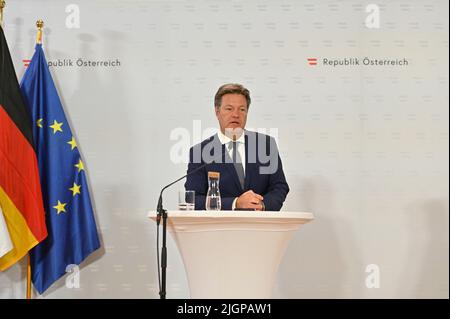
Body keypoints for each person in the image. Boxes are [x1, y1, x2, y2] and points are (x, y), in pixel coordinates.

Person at [184, 83, 289, 211]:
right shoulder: (199, 152)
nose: (236, 114)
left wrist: (262, 205)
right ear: (217, 112)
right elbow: (193, 199)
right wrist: (235, 203)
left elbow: (279, 187)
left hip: (260, 225)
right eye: (229, 109)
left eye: (242, 109)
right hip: (219, 228)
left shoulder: (266, 145)